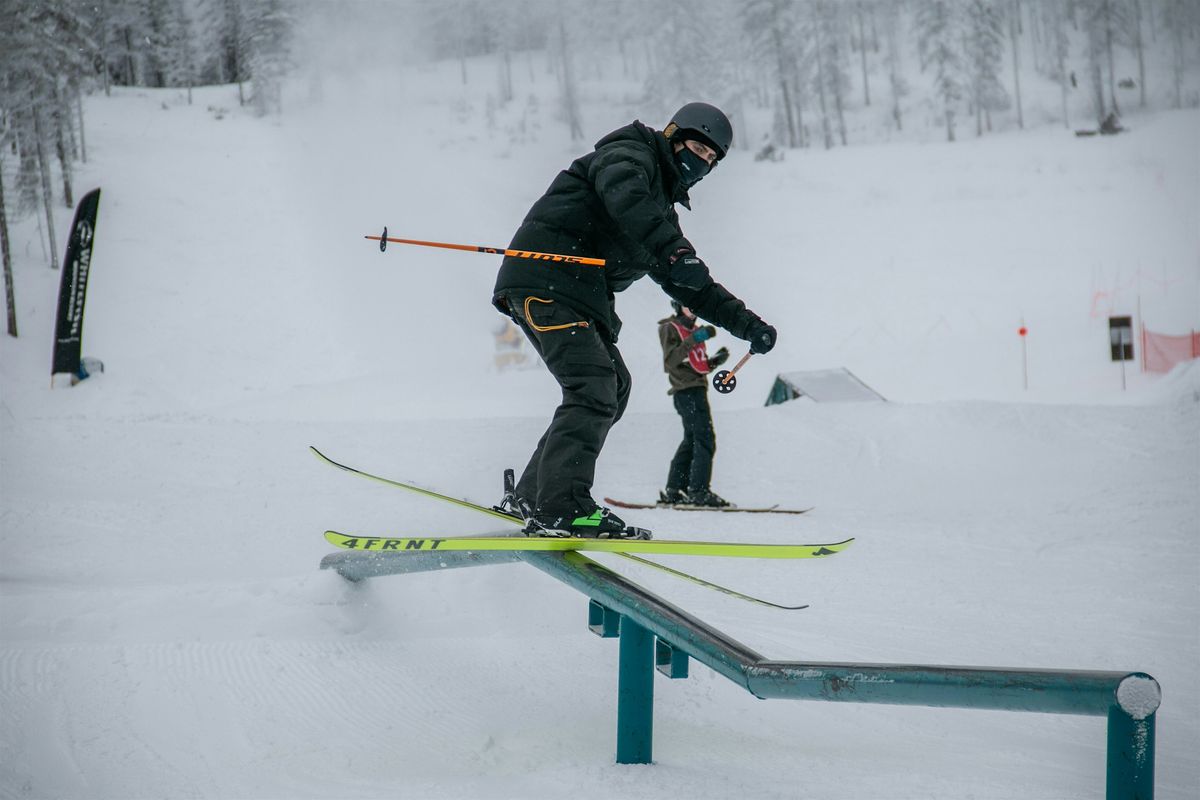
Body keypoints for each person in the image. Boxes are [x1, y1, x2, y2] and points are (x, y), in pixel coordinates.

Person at [492, 102, 777, 538]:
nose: (700, 163)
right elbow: (625, 197)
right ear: (673, 135)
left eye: (710, 161)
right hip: (546, 281)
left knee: (614, 386)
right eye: (697, 149)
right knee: (594, 384)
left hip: (577, 296)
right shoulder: (631, 155)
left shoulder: (660, 212)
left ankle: (535, 495)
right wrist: (674, 250)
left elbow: (691, 285)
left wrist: (747, 325)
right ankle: (562, 505)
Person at [658, 301, 731, 508]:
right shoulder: (669, 328)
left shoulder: (693, 331)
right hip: (686, 392)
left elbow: (696, 365)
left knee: (692, 439)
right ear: (678, 306)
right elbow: (670, 362)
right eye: (688, 305)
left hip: (696, 389)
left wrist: (715, 361)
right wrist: (694, 339)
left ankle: (675, 490)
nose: (692, 309)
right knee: (705, 438)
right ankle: (699, 491)